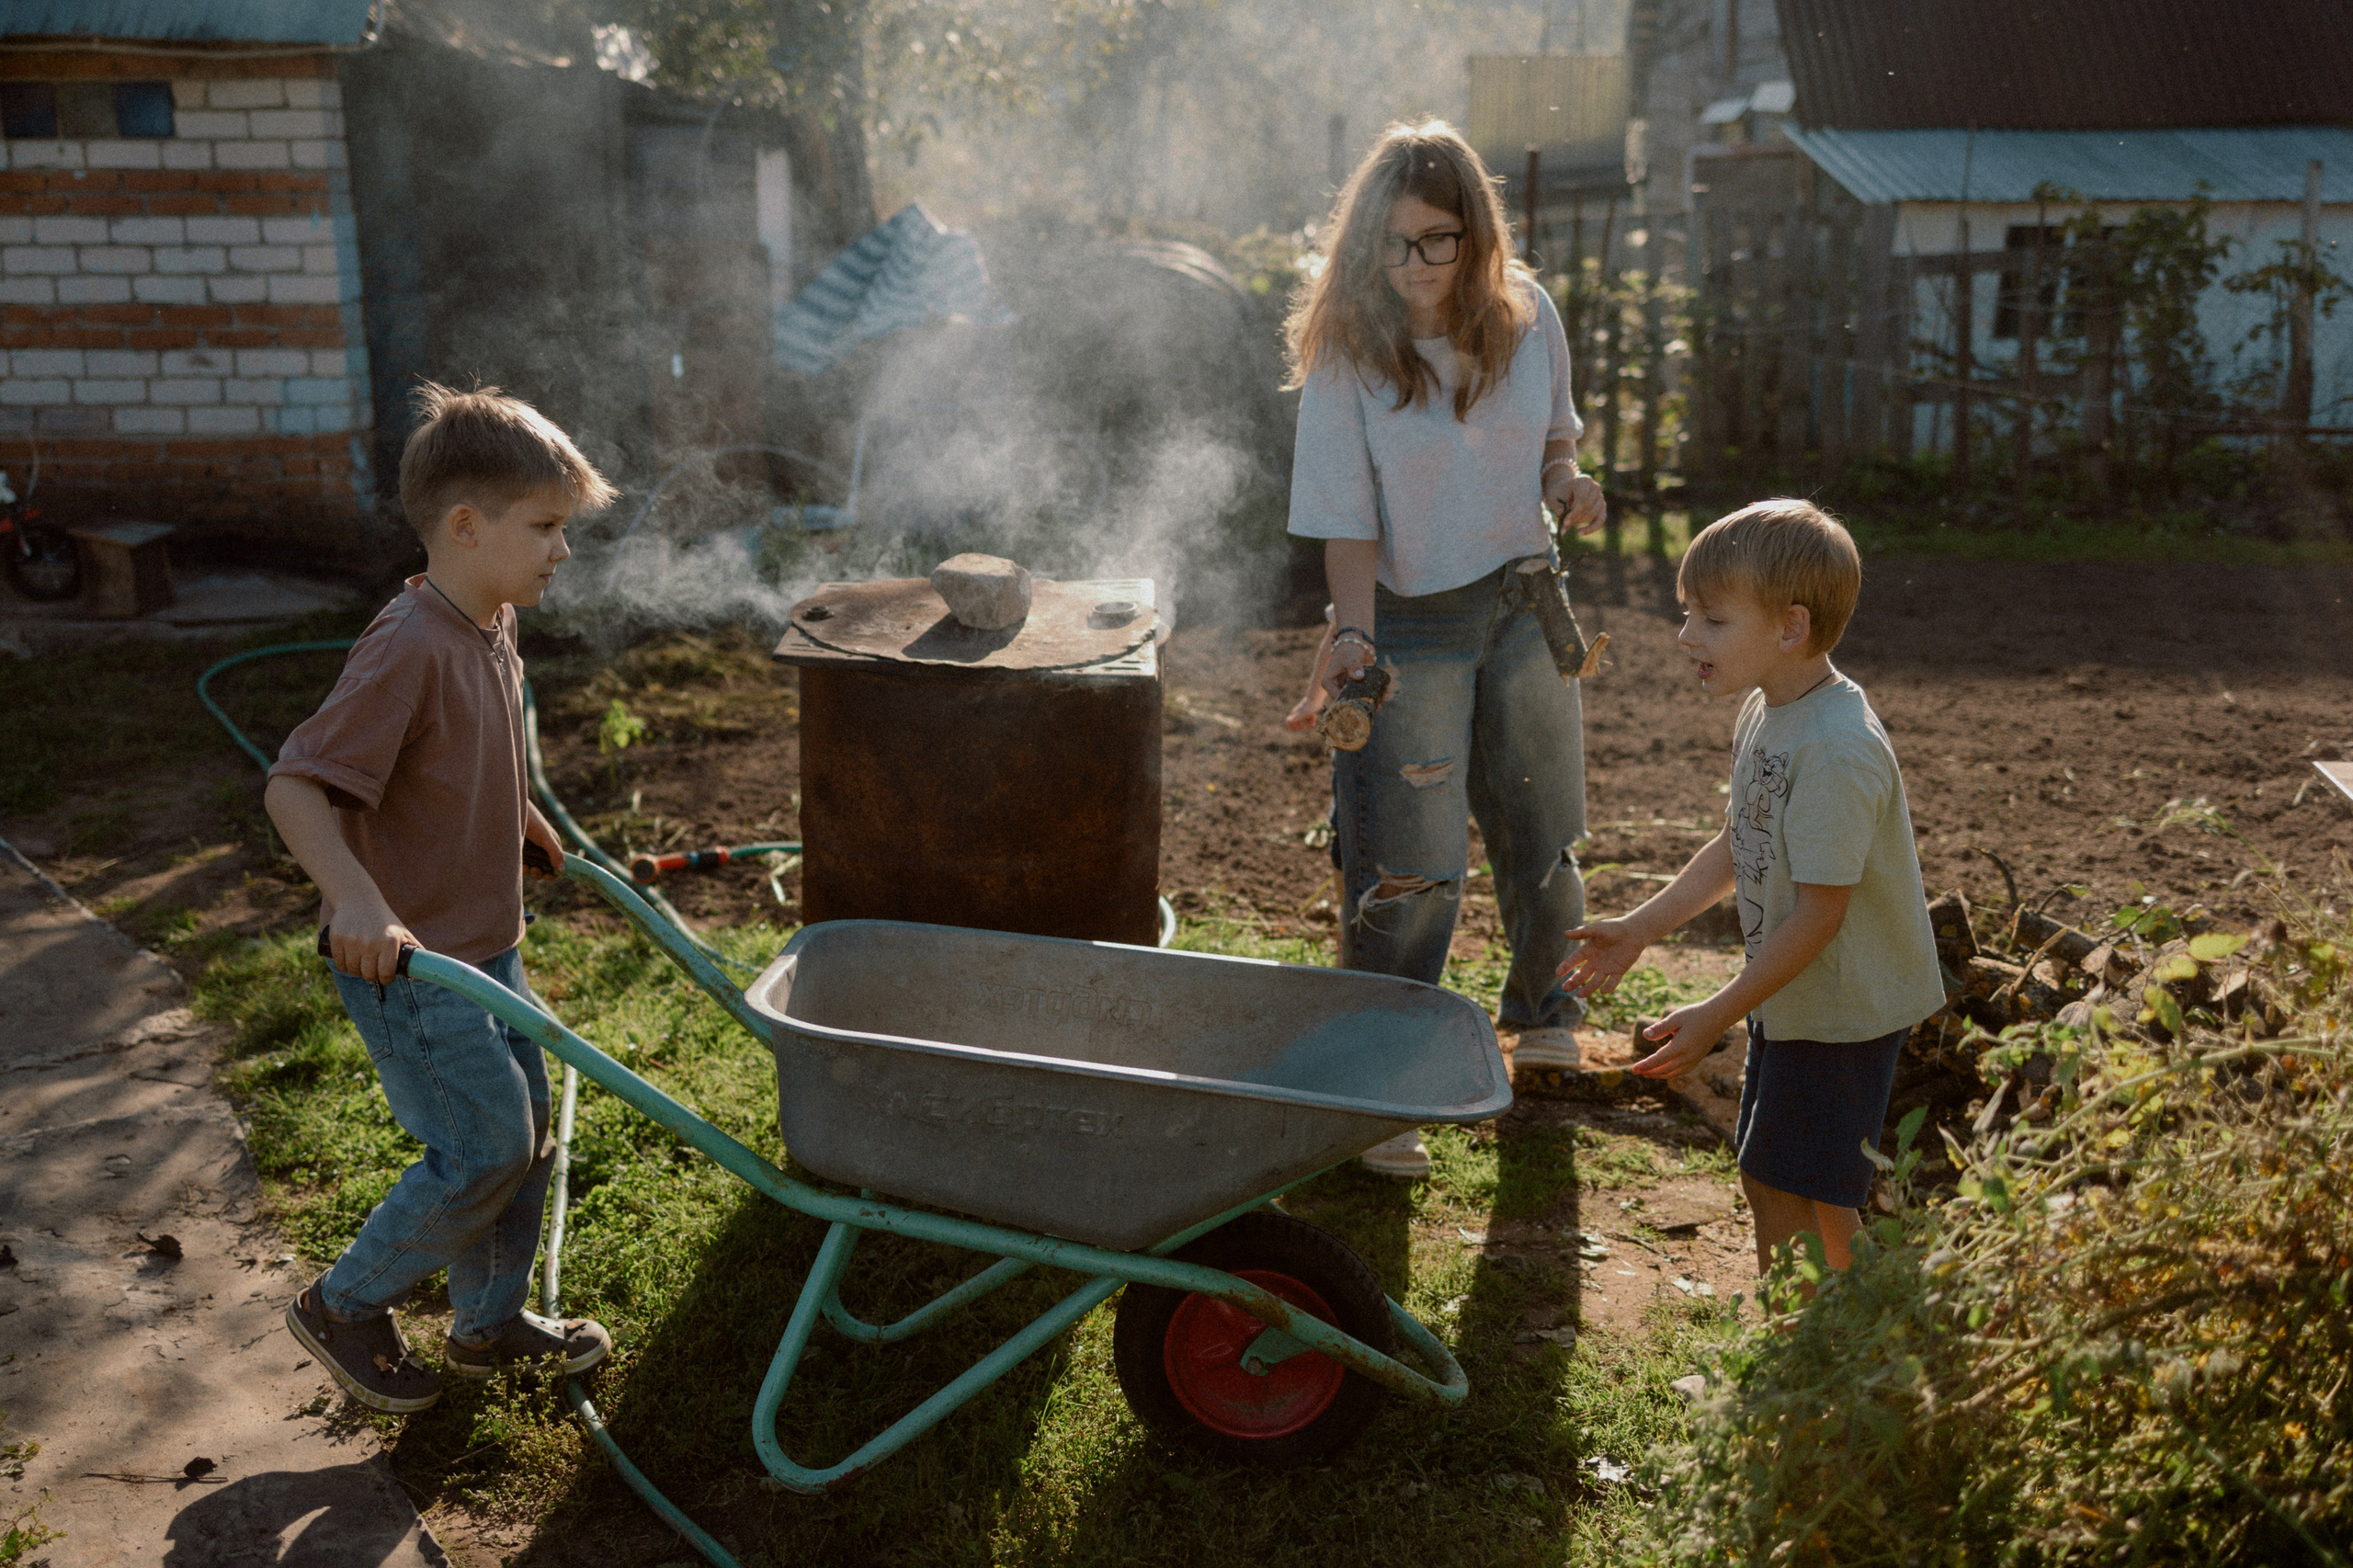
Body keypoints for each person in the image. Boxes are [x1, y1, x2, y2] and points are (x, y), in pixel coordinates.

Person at [265, 383, 619, 1413]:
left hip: (484, 944)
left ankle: (488, 1321)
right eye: (546, 527)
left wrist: (519, 813)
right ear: (465, 527)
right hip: (411, 963)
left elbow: (473, 745)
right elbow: (296, 785)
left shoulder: (491, 618)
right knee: (482, 1145)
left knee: (528, 1133)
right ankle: (345, 1300)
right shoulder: (408, 643)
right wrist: (357, 902)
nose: (563, 550)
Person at [1284, 119, 1608, 1179]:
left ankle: (1545, 1011)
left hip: (1523, 600)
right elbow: (1345, 519)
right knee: (1410, 867)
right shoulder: (1345, 348)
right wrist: (1354, 636)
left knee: (1543, 827)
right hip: (1408, 618)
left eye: (1437, 241)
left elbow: (1554, 431)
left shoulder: (1528, 315)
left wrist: (1565, 479)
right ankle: (1386, 1082)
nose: (1415, 267)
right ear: (1362, 245)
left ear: (1475, 235)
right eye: (1392, 244)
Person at [1556, 500, 1943, 1279]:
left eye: (1712, 619)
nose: (1687, 635)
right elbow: (1742, 841)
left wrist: (1715, 1014)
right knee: (1810, 1187)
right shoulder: (1769, 711)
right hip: (1797, 996)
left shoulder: (1836, 750)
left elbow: (1820, 918)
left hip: (1842, 1009)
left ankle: (1794, 1351)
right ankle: (1850, 1331)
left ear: (1789, 627)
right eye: (1688, 613)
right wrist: (1640, 927)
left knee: (1781, 1180)